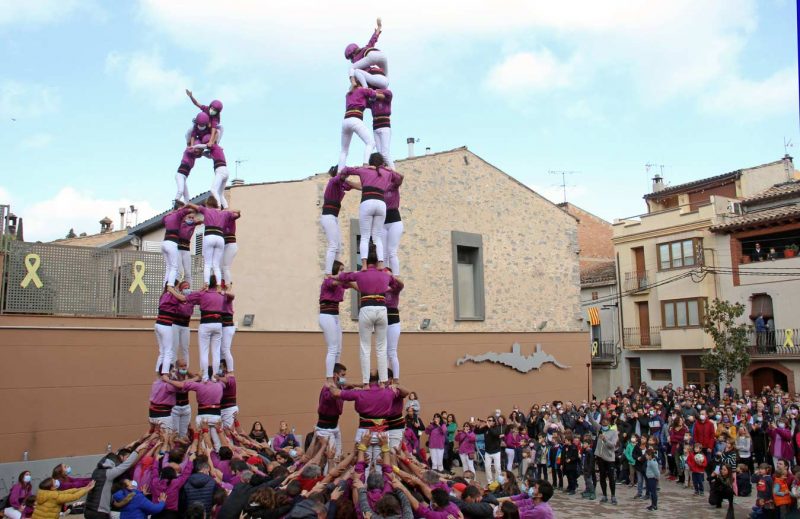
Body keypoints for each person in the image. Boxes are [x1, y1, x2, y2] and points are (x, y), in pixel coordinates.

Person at [334, 246, 399, 384]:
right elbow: (395, 284)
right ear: (377, 262)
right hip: (382, 309)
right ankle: (383, 381)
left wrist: (333, 276)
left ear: (366, 261)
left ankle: (365, 382)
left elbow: (344, 277)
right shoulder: (384, 275)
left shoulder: (360, 274)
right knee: (382, 347)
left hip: (366, 308)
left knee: (365, 347)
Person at [339, 153, 403, 270]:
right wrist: (385, 169)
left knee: (364, 236)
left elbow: (346, 169)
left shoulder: (364, 170)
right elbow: (400, 177)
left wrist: (342, 178)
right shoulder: (386, 173)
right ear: (382, 162)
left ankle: (363, 265)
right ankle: (381, 264)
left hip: (367, 202)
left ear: (370, 162)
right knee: (377, 237)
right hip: (381, 204)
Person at [84, 439, 150, 519]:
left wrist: (125, 500)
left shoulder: (96, 471)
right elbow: (125, 465)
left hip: (89, 510)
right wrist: (137, 450)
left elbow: (104, 491)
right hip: (99, 512)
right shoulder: (108, 473)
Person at [184, 276, 235, 379]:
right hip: (218, 324)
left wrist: (202, 289)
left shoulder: (203, 294)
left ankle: (205, 376)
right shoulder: (221, 295)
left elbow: (188, 297)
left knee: (204, 351)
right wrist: (226, 289)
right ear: (217, 284)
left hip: (206, 323)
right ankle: (215, 376)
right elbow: (231, 296)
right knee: (216, 352)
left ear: (208, 283)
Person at [186, 200, 239, 288]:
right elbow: (238, 213)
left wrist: (186, 203)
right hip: (220, 239)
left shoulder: (207, 210)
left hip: (211, 237)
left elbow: (194, 206)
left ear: (208, 204)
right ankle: (218, 284)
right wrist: (229, 211)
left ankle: (207, 284)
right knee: (217, 265)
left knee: (208, 264)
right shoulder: (224, 214)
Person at [337, 85, 379, 174]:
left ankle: (339, 172)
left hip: (345, 121)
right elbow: (373, 94)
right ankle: (365, 164)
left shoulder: (348, 94)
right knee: (371, 143)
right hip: (355, 119)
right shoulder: (362, 90)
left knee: (344, 150)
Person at [319, 262, 349, 380]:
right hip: (326, 315)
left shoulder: (341, 283)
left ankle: (337, 376)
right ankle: (329, 378)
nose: (342, 272)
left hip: (335, 316)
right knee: (332, 348)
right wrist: (350, 277)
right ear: (335, 270)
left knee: (338, 349)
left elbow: (352, 284)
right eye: (340, 270)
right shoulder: (328, 281)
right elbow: (339, 281)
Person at [320, 167, 352, 275]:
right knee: (333, 245)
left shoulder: (341, 185)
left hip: (334, 217)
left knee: (338, 247)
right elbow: (341, 177)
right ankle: (328, 272)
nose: (346, 177)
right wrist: (346, 172)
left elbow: (352, 185)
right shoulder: (332, 182)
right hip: (328, 216)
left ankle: (335, 270)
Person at [176, 113, 212, 203]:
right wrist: (202, 146)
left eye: (198, 150)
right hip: (180, 175)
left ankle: (186, 211)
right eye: (196, 149)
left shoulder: (196, 155)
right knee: (180, 190)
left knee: (187, 198)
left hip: (184, 177)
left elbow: (207, 156)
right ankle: (175, 205)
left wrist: (211, 150)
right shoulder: (189, 151)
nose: (196, 151)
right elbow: (193, 148)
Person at [345, 18, 389, 89]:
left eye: (350, 58)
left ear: (352, 54)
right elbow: (373, 40)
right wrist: (379, 27)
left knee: (352, 68)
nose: (351, 59)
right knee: (386, 76)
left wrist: (354, 83)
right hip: (382, 56)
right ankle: (384, 90)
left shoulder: (357, 58)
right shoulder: (366, 47)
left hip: (371, 57)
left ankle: (356, 83)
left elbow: (359, 72)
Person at [160, 203, 196, 288]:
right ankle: (171, 287)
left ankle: (169, 287)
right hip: (175, 246)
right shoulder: (178, 217)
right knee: (175, 269)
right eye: (189, 217)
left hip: (169, 244)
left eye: (192, 217)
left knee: (172, 268)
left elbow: (163, 219)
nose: (190, 219)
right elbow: (189, 210)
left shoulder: (170, 217)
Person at [315, 363, 347, 458]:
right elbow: (333, 396)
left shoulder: (340, 387)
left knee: (338, 455)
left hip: (335, 425)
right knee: (331, 456)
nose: (344, 378)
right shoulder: (327, 389)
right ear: (335, 375)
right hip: (325, 428)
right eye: (342, 375)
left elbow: (348, 387)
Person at [154, 283, 186, 375]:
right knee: (169, 351)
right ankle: (165, 373)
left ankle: (158, 373)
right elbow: (183, 299)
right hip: (165, 325)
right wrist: (172, 290)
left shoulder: (163, 295)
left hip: (158, 324)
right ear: (174, 286)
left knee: (162, 351)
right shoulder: (173, 296)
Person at [589, 414, 618, 505]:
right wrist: (588, 412)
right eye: (603, 420)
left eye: (606, 420)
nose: (604, 422)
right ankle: (604, 495)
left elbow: (612, 445)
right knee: (602, 477)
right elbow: (593, 422)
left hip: (609, 458)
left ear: (609, 422)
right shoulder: (600, 429)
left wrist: (605, 439)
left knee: (611, 478)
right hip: (600, 457)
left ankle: (613, 496)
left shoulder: (614, 432)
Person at [384, 268, 404, 381]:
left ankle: (396, 378)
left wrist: (393, 277)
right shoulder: (380, 288)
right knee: (383, 352)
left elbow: (401, 285)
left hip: (393, 321)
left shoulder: (394, 289)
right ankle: (384, 378)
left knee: (392, 351)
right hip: (382, 321)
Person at [475, 415, 505, 484]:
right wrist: (479, 424)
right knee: (487, 468)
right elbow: (477, 432)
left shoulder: (497, 428)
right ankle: (490, 482)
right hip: (488, 452)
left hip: (496, 451)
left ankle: (498, 482)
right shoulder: (486, 428)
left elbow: (495, 434)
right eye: (488, 420)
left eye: (490, 420)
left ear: (494, 422)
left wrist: (489, 427)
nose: (488, 422)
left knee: (497, 468)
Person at [221, 210, 240, 285]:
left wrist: (228, 211)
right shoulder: (220, 221)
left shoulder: (230, 218)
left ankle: (228, 285)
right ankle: (222, 284)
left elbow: (237, 214)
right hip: (225, 246)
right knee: (220, 268)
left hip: (231, 245)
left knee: (225, 267)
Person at [220, 287, 236, 374]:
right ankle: (222, 369)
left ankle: (230, 371)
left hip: (227, 326)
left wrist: (223, 292)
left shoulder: (226, 296)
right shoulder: (216, 297)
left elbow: (232, 295)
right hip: (221, 326)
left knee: (225, 349)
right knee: (219, 350)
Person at [218, 361, 238, 428]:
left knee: (229, 431)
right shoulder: (221, 377)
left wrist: (217, 377)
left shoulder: (230, 377)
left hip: (229, 408)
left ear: (226, 368)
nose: (219, 369)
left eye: (220, 367)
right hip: (222, 408)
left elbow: (227, 381)